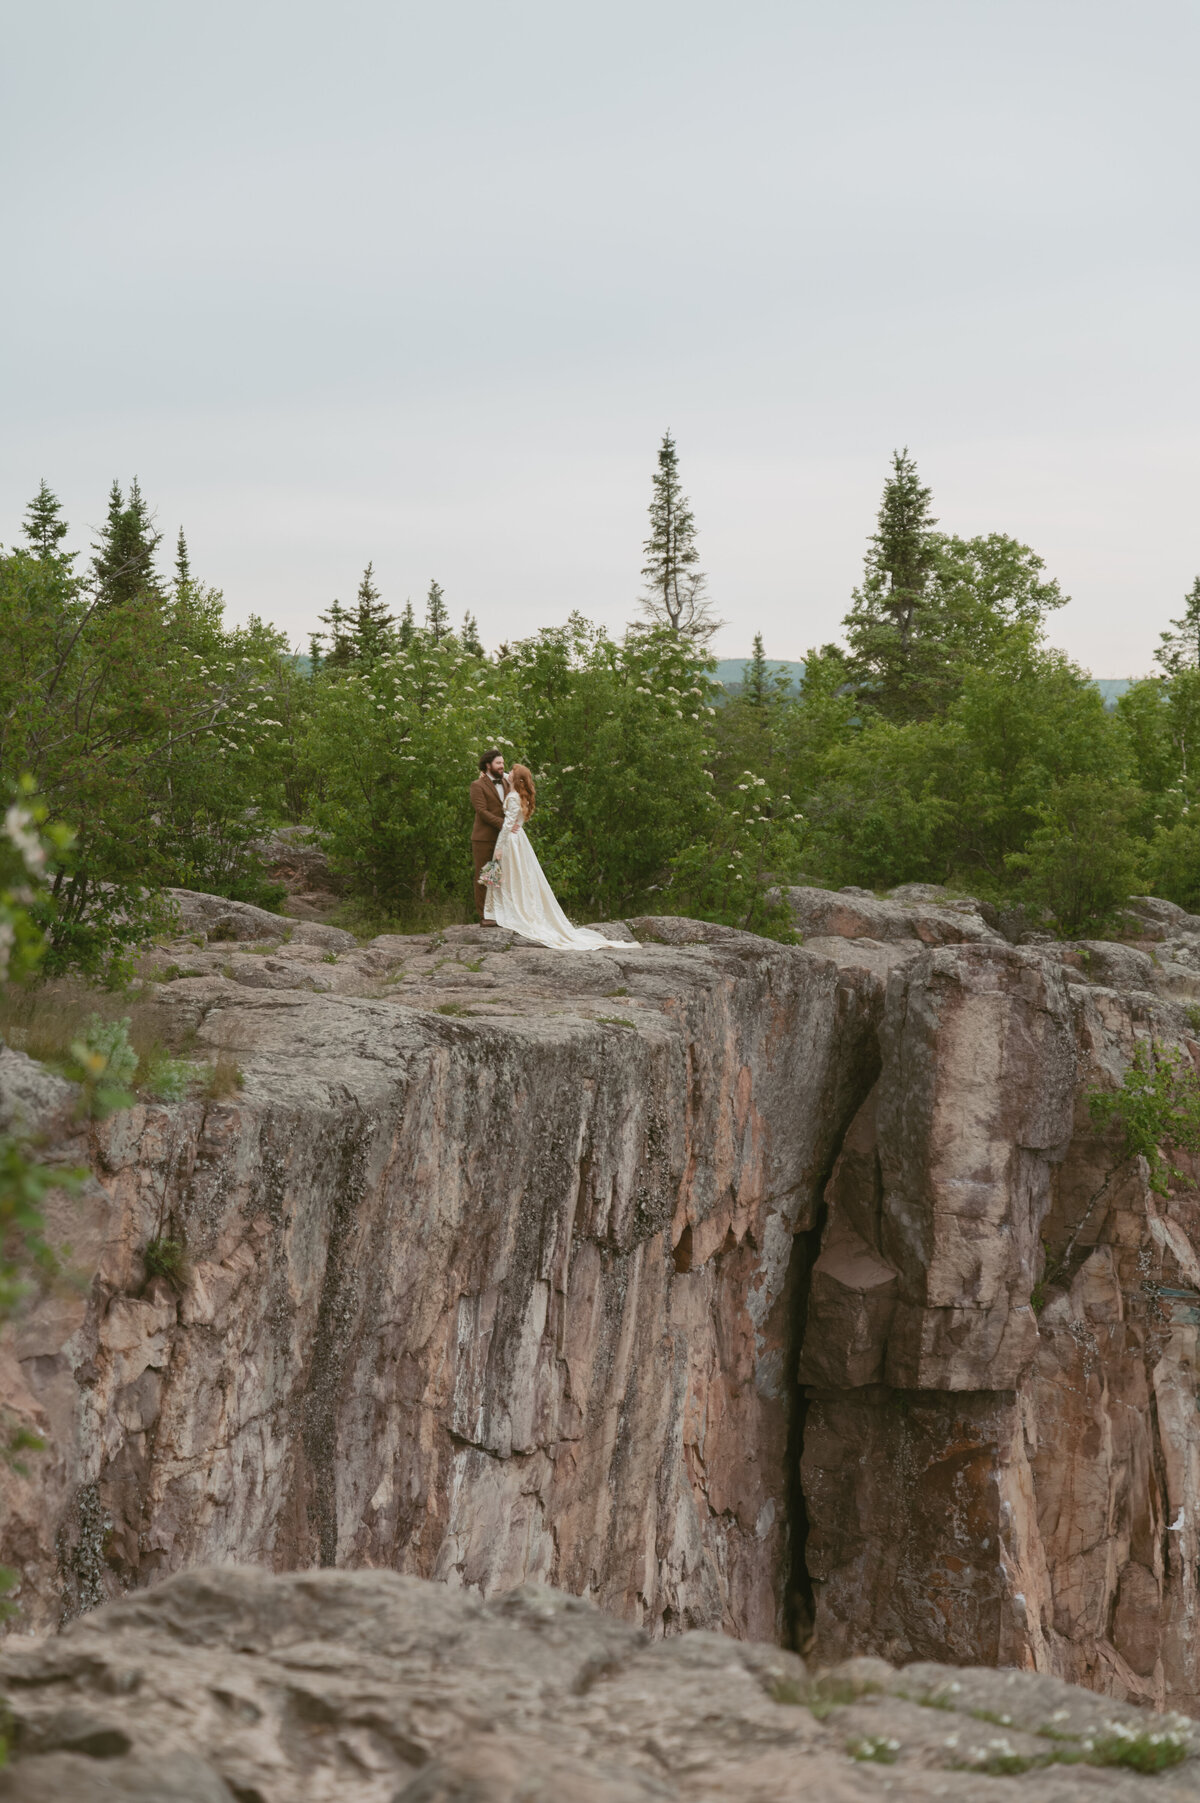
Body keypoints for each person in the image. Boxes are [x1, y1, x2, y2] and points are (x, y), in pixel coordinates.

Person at [483, 764, 627, 950]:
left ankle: (508, 910)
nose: (508, 772)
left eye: (511, 771)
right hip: (519, 839)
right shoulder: (519, 796)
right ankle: (506, 908)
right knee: (518, 876)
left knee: (510, 875)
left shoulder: (512, 797)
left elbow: (507, 824)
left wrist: (499, 848)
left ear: (516, 780)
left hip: (511, 840)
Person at [469, 749, 509, 923]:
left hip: (505, 838)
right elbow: (482, 811)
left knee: (503, 875)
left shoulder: (506, 782)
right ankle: (485, 916)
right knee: (485, 875)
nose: (502, 766)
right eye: (498, 763)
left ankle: (502, 913)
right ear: (488, 765)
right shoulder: (477, 785)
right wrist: (503, 824)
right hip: (484, 838)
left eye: (502, 763)